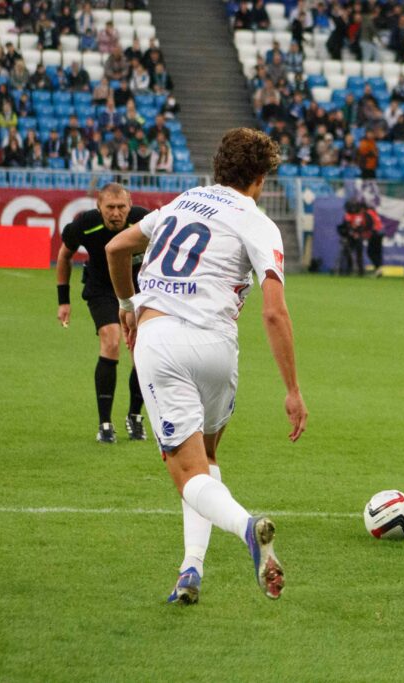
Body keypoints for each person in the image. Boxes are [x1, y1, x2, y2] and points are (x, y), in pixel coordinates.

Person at [106, 127, 306, 603]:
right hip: (218, 349)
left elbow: (116, 249)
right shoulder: (258, 222)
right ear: (259, 179)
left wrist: (127, 304)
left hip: (162, 341)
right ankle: (190, 570)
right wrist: (292, 390)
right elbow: (274, 311)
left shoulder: (182, 202)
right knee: (207, 460)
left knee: (186, 471)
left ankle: (247, 527)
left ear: (218, 168)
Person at [56, 184, 151, 443]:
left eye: (121, 207)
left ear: (130, 206)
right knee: (111, 341)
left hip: (137, 291)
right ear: (99, 207)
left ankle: (135, 416)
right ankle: (105, 424)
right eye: (110, 207)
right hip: (102, 290)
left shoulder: (143, 221)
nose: (116, 213)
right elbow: (64, 255)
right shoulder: (85, 224)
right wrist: (63, 301)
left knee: (141, 351)